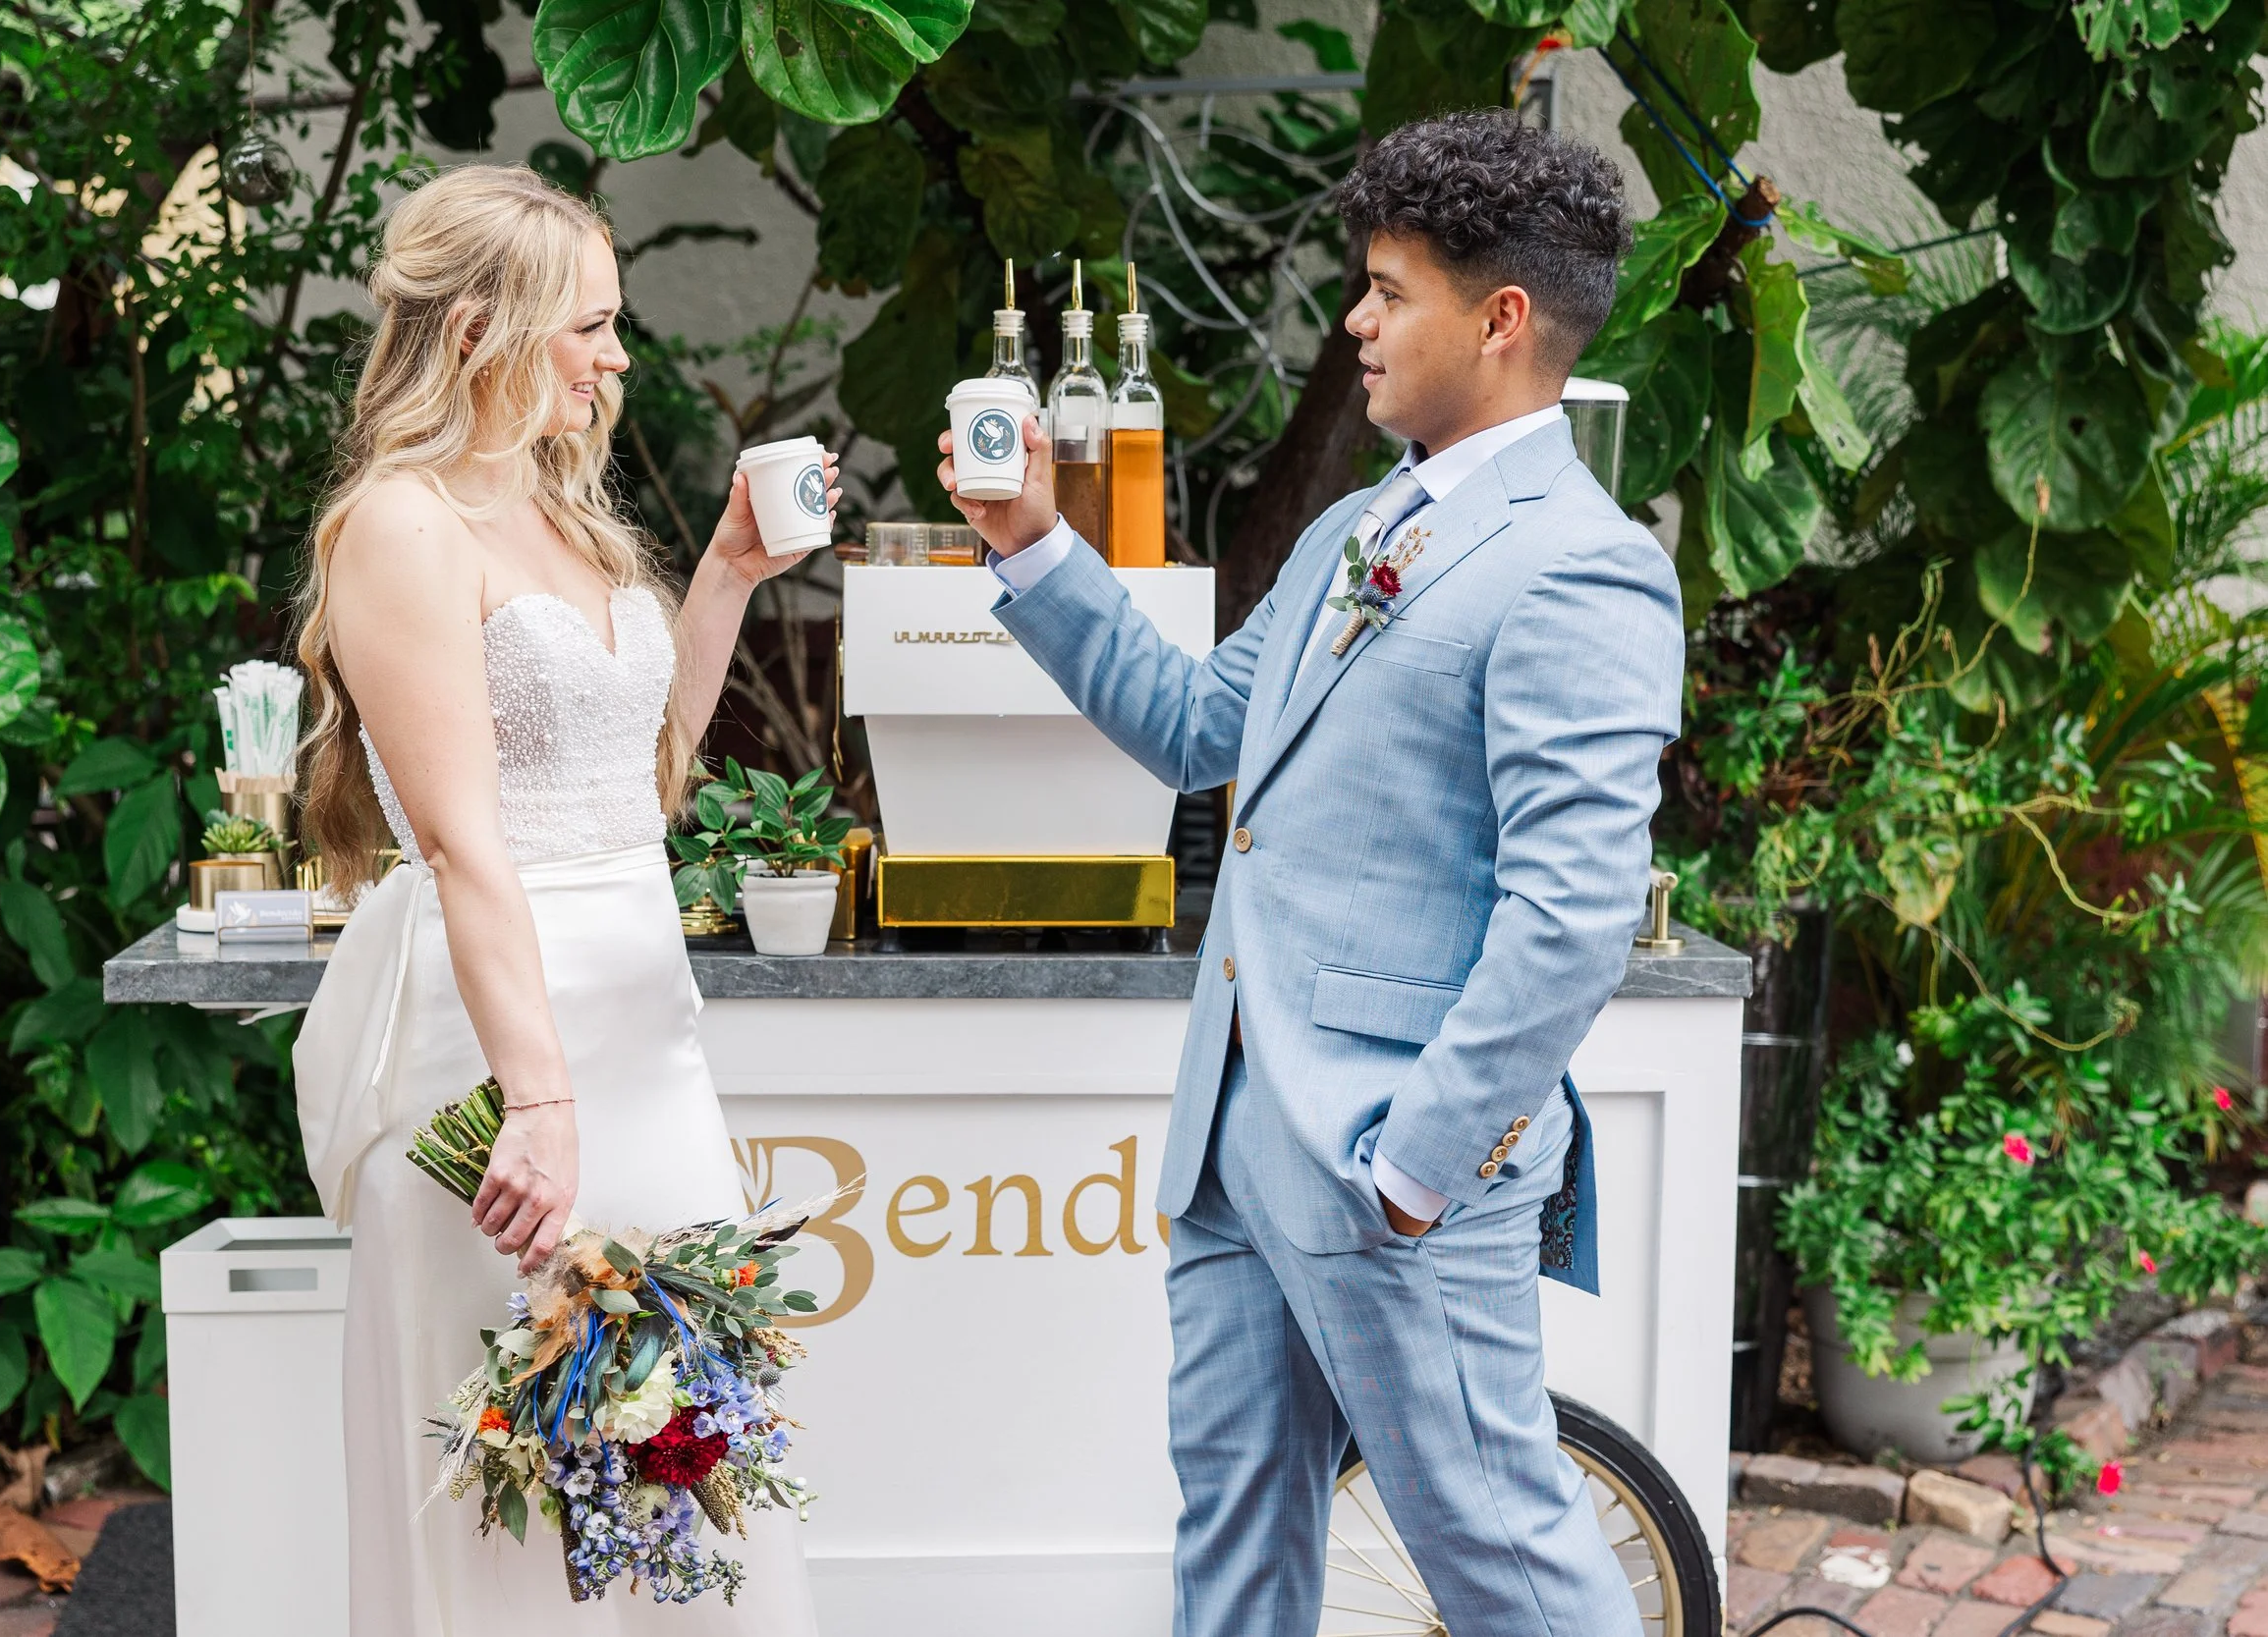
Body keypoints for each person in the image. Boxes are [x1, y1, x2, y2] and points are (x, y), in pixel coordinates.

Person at [942, 111, 1682, 1633]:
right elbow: (1201, 729)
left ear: (1501, 322)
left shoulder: (1585, 565)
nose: (1355, 317)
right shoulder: (1359, 525)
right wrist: (1030, 543)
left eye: (1389, 290)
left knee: (1501, 1553)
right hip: (1233, 1145)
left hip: (1388, 1167)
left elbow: (1574, 916)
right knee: (1234, 1537)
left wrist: (1413, 1164)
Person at [289, 165, 825, 1636]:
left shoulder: (558, 512)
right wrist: (539, 1098)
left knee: (674, 1467)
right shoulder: (400, 529)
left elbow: (632, 791)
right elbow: (471, 845)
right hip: (503, 1057)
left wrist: (720, 574)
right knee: (517, 1491)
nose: (615, 356)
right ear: (479, 330)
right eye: (588, 324)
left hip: (647, 1043)